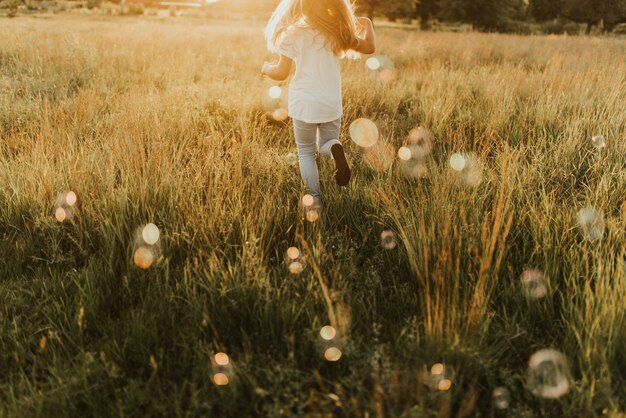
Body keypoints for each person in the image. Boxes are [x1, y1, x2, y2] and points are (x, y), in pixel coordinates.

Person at [261, 0, 376, 202]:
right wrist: (366, 22)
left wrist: (266, 68)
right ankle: (334, 149)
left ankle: (314, 199)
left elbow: (281, 73)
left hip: (304, 103)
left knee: (306, 152)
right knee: (327, 142)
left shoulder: (292, 33)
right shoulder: (335, 31)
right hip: (330, 102)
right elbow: (369, 47)